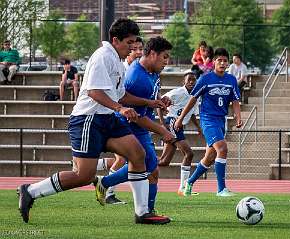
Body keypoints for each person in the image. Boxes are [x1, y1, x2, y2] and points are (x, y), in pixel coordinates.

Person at [17, 18, 171, 225]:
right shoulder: (103, 56)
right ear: (115, 40)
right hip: (88, 120)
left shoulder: (118, 60)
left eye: (135, 42)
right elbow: (94, 92)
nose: (133, 47)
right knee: (83, 175)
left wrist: (148, 103)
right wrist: (120, 108)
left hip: (106, 118)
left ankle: (143, 213)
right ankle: (31, 191)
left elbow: (121, 95)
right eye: (129, 42)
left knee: (138, 154)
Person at [96, 36, 175, 214]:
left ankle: (106, 184)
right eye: (165, 57)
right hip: (130, 125)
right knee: (149, 167)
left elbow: (148, 98)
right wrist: (163, 131)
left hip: (140, 125)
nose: (166, 61)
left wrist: (159, 100)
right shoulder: (136, 77)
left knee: (150, 168)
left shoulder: (152, 71)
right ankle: (146, 212)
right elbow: (136, 116)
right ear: (153, 54)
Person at [174, 48, 243, 197]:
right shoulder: (205, 79)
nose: (223, 63)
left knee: (210, 158)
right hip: (208, 120)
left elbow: (235, 101)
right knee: (223, 149)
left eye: (225, 60)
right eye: (220, 60)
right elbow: (192, 100)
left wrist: (238, 117)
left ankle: (189, 183)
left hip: (221, 120)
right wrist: (180, 119)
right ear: (214, 62)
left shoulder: (231, 80)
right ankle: (221, 189)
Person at [104, 37, 144, 205]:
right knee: (127, 159)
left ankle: (107, 187)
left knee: (128, 159)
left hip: (129, 117)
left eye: (141, 49)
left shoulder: (140, 69)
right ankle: (106, 188)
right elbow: (121, 97)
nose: (138, 52)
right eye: (135, 49)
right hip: (120, 117)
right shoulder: (125, 69)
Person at [157, 69, 202, 196]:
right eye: (189, 80)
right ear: (184, 82)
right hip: (173, 123)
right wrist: (162, 123)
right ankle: (183, 187)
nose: (192, 82)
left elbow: (191, 113)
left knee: (164, 162)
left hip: (179, 126)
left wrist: (198, 127)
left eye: (194, 80)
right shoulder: (176, 93)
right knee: (189, 154)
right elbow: (160, 104)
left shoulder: (195, 95)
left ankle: (137, 163)